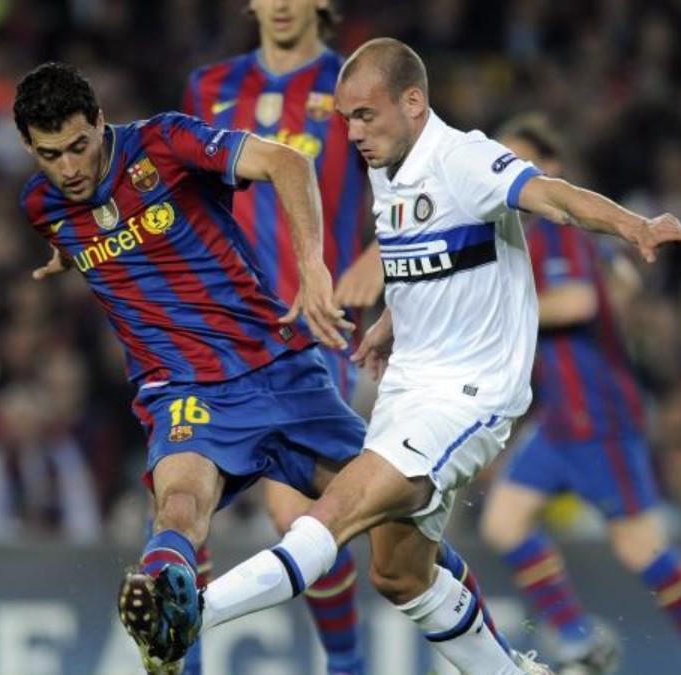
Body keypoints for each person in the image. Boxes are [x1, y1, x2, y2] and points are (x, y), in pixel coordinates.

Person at [143, 38, 681, 675]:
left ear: (413, 102)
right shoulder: (386, 164)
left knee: (326, 515)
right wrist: (388, 321)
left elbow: (552, 195)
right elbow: (419, 252)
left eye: (365, 116)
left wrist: (634, 227)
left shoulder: (463, 159)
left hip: (468, 396)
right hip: (409, 385)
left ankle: (189, 616)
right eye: (345, 117)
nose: (352, 133)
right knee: (400, 575)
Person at [181, 2, 507, 672]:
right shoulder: (210, 87)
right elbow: (185, 196)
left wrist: (376, 259)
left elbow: (431, 183)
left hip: (312, 319)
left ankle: (349, 663)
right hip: (224, 330)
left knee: (294, 508)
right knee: (194, 497)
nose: (279, 4)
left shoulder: (355, 85)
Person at [13, 61, 364, 675]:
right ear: (28, 147)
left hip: (276, 363)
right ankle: (172, 648)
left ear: (101, 122)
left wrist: (312, 268)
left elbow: (288, 162)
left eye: (79, 146)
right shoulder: (43, 207)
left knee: (401, 521)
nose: (69, 168)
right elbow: (96, 231)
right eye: (50, 154)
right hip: (182, 387)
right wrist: (70, 257)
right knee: (178, 509)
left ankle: (497, 661)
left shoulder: (165, 142)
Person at [479, 113, 681, 675]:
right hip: (561, 418)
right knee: (503, 522)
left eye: (517, 159)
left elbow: (577, 301)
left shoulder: (556, 228)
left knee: (639, 547)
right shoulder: (534, 236)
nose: (502, 171)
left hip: (598, 414)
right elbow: (614, 281)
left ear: (549, 169)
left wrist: (505, 312)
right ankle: (580, 640)